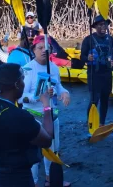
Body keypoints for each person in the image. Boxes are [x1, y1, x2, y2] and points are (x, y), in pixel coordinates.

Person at [0, 63, 53, 186]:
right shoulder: (21, 117)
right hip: (16, 178)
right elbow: (47, 140)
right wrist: (46, 106)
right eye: (22, 80)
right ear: (17, 84)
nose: (24, 84)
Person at [19, 35, 71, 187]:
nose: (43, 51)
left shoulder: (53, 67)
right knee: (34, 153)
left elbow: (58, 86)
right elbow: (21, 97)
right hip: (33, 117)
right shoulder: (28, 69)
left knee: (53, 149)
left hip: (52, 115)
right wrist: (39, 97)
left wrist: (64, 93)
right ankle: (34, 182)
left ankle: (50, 179)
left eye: (46, 48)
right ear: (33, 50)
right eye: (39, 48)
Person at [81, 15, 113, 126]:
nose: (103, 27)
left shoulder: (110, 39)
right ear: (95, 26)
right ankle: (91, 122)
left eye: (105, 24)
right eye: (100, 24)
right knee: (94, 100)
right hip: (94, 74)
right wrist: (88, 58)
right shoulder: (88, 39)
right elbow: (82, 57)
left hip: (106, 73)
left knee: (105, 99)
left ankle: (102, 123)